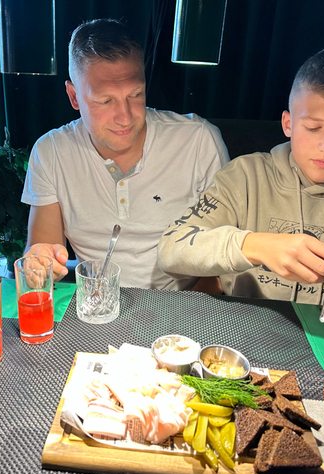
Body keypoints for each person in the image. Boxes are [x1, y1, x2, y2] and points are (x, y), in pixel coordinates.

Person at [157, 45, 324, 305]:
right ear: (288, 123)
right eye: (313, 128)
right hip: (242, 325)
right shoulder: (246, 175)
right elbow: (171, 250)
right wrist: (255, 245)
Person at [22, 18, 229, 290]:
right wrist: (39, 265)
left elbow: (221, 263)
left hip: (182, 302)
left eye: (135, 95)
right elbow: (44, 253)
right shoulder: (51, 152)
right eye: (106, 100)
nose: (125, 117)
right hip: (98, 301)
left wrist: (186, 313)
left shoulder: (199, 141)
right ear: (74, 96)